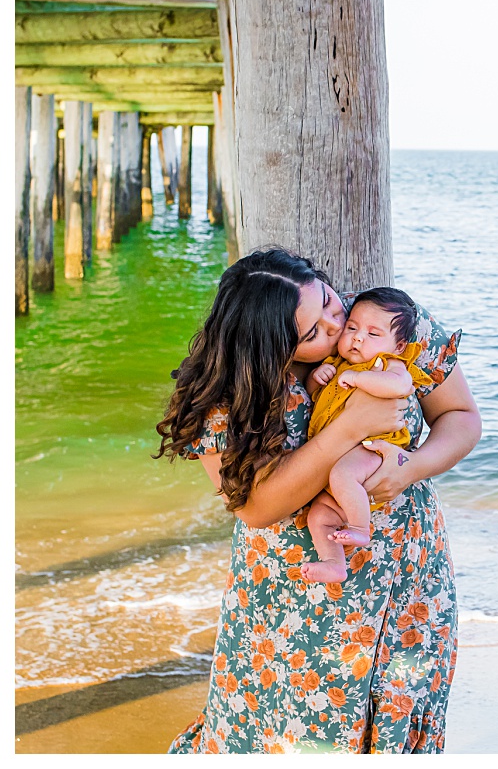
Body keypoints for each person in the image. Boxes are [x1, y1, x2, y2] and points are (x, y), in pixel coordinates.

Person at [155, 248, 480, 753]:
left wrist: (408, 470)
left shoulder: (384, 322)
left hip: (405, 580)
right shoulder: (230, 386)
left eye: (328, 301)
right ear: (272, 343)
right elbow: (256, 507)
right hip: (293, 603)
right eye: (311, 333)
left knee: (398, 728)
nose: (336, 326)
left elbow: (460, 416)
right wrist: (349, 427)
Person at [301, 287, 432, 584]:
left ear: (397, 346)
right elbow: (316, 399)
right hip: (339, 448)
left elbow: (399, 386)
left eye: (373, 334)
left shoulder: (388, 363)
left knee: (343, 476)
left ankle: (360, 528)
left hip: (371, 448)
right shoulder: (336, 365)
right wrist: (314, 379)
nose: (358, 338)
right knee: (318, 515)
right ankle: (334, 563)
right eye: (352, 328)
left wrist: (360, 378)